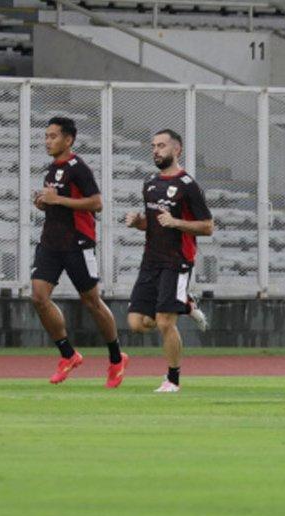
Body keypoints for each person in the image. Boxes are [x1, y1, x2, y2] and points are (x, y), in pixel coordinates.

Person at [31, 116, 127, 387]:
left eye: (53, 136)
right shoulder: (52, 169)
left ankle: (117, 358)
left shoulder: (78, 167)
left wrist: (57, 199)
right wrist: (44, 204)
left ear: (68, 139)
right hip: (51, 243)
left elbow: (97, 203)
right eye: (46, 136)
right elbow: (58, 203)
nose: (47, 141)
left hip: (77, 243)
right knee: (38, 297)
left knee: (91, 302)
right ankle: (68, 355)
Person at [124, 129, 213, 393]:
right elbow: (152, 226)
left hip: (177, 260)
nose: (156, 150)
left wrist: (176, 222)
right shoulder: (150, 183)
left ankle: (172, 380)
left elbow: (208, 227)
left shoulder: (188, 185)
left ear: (177, 150)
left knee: (164, 322)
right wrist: (138, 222)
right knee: (137, 324)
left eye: (161, 145)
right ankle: (185, 303)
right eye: (153, 146)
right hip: (151, 260)